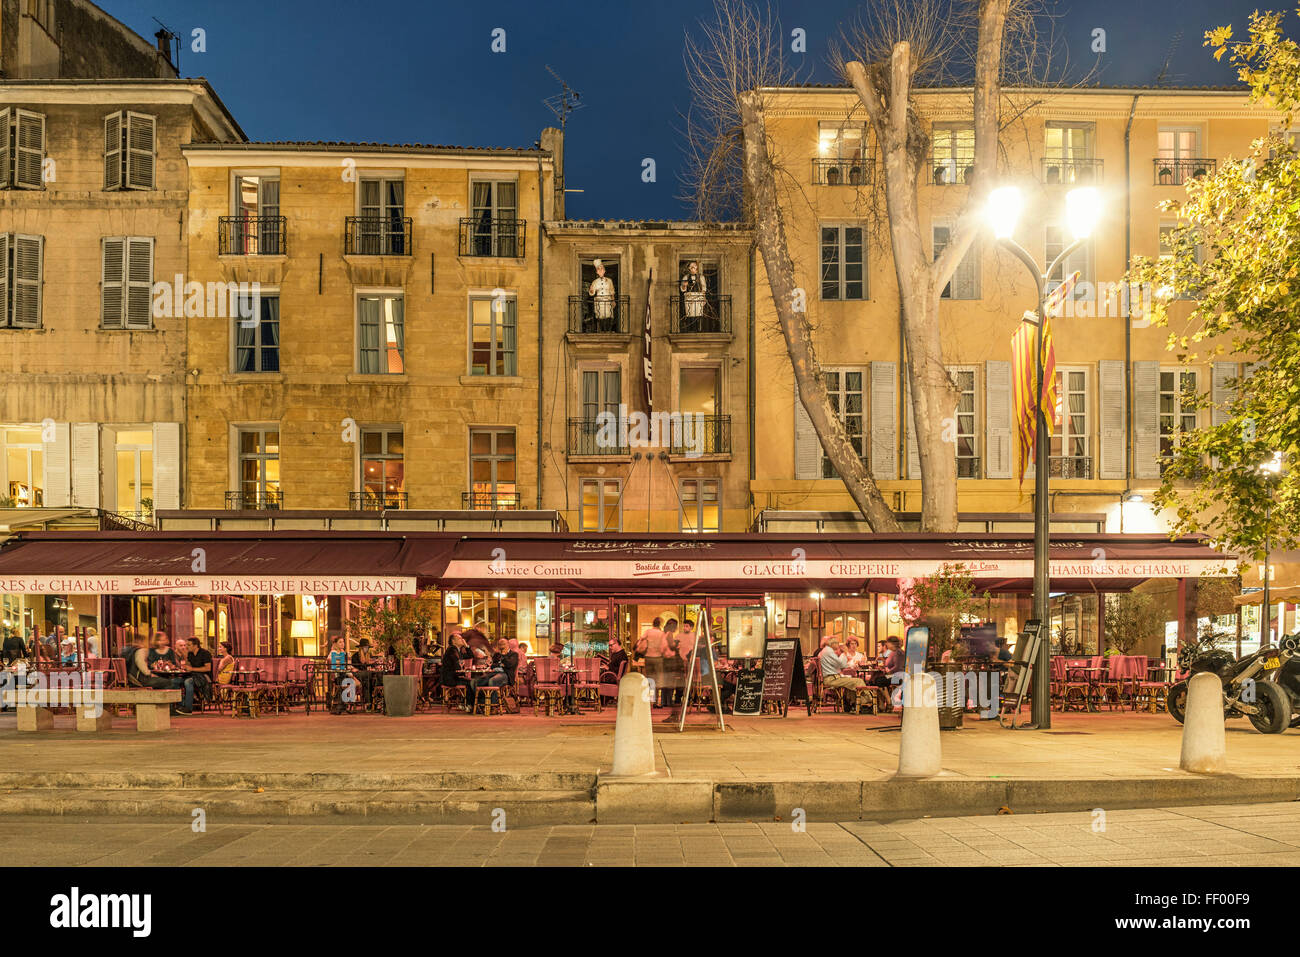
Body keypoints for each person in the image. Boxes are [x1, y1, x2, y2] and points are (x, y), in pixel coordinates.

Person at [140, 631, 196, 716]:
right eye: (160, 640)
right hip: (156, 675)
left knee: (175, 682)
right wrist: (155, 665)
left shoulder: (169, 651)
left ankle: (177, 706)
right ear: (156, 641)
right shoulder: (151, 651)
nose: (162, 642)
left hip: (169, 675)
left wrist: (170, 665)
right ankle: (167, 707)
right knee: (169, 683)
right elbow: (150, 665)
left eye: (163, 640)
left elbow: (174, 664)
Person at [820, 639, 872, 713]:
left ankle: (855, 704)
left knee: (853, 683)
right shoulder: (829, 653)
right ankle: (869, 700)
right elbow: (842, 665)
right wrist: (845, 654)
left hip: (833, 677)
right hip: (832, 679)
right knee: (858, 681)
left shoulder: (825, 652)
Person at [441, 633, 472, 710]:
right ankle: (468, 705)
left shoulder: (458, 651)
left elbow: (470, 656)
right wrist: (463, 672)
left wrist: (467, 646)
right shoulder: (452, 650)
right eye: (459, 639)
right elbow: (456, 665)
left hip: (454, 677)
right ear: (453, 641)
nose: (462, 640)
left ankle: (468, 704)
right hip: (450, 679)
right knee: (471, 683)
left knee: (471, 682)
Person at [642, 617, 666, 707]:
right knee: (658, 679)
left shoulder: (648, 632)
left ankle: (649, 700)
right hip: (658, 658)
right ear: (660, 624)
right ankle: (656, 701)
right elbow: (663, 647)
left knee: (649, 679)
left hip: (648, 657)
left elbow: (641, 640)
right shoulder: (661, 634)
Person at [326, 637, 352, 714]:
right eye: (340, 642)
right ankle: (341, 705)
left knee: (349, 679)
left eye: (343, 642)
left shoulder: (343, 653)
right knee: (343, 679)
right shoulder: (333, 653)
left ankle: (343, 705)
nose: (342, 643)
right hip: (336, 675)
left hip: (344, 673)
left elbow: (347, 665)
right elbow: (330, 664)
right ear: (336, 644)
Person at [661, 618, 684, 708]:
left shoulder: (664, 633)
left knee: (665, 682)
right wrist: (677, 646)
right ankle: (668, 702)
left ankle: (665, 702)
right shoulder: (669, 634)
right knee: (669, 682)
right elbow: (671, 646)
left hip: (664, 660)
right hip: (669, 661)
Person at [185, 635, 214, 705]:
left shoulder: (205, 653)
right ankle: (179, 705)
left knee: (188, 682)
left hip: (205, 676)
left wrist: (192, 669)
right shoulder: (190, 654)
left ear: (195, 645)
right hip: (193, 675)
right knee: (175, 681)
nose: (186, 647)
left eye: (189, 645)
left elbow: (208, 668)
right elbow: (187, 665)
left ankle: (188, 707)